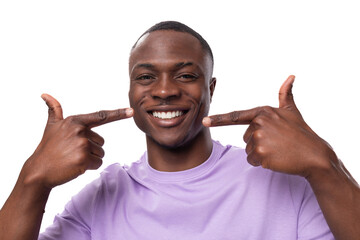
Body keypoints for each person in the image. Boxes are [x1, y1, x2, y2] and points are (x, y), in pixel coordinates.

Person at [0, 21, 359, 240]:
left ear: (211, 89)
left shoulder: (287, 184)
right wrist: (33, 180)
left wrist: (323, 165)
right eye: (145, 77)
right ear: (131, 91)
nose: (165, 90)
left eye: (186, 75)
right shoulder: (101, 199)